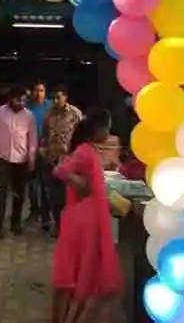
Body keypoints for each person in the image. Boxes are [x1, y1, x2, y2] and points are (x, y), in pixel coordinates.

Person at [52, 117, 123, 323]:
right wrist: (81, 185)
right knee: (75, 273)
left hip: (91, 217)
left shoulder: (89, 150)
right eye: (106, 127)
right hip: (84, 219)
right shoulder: (84, 150)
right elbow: (60, 170)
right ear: (96, 128)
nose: (108, 132)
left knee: (85, 273)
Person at [0, 86, 37, 240]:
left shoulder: (29, 116)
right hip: (2, 158)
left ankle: (16, 223)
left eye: (23, 100)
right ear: (10, 99)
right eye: (18, 99)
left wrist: (32, 158)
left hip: (21, 159)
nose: (21, 102)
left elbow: (32, 139)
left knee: (19, 193)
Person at [40, 85, 83, 236]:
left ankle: (70, 226)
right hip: (52, 160)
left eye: (58, 97)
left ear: (66, 97)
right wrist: (43, 149)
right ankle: (58, 225)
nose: (56, 101)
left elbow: (82, 136)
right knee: (54, 196)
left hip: (70, 161)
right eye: (53, 98)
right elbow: (44, 135)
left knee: (69, 196)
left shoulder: (75, 114)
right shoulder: (48, 115)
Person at [27, 81, 52, 223]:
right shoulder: (27, 107)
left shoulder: (51, 106)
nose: (38, 93)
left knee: (45, 184)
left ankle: (45, 214)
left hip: (46, 149)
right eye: (36, 90)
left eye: (41, 90)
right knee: (31, 183)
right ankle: (34, 211)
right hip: (30, 149)